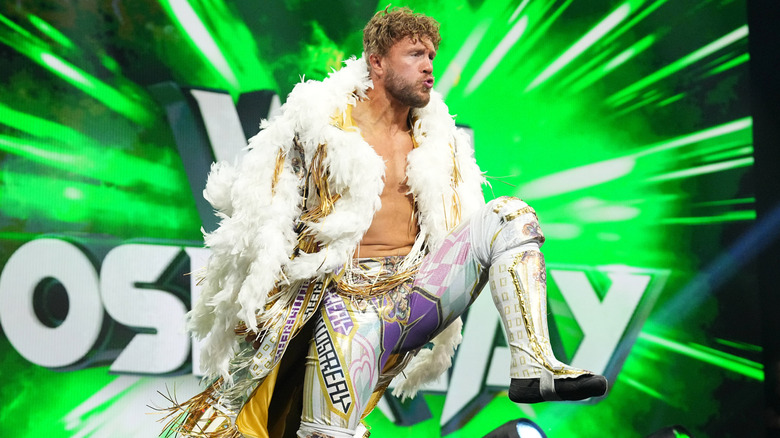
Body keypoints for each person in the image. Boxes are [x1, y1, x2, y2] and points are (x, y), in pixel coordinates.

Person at [162, 7, 607, 438]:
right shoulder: (320, 123)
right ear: (376, 62)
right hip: (345, 305)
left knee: (511, 215)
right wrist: (260, 303)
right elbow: (263, 216)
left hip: (418, 290)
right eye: (416, 54)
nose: (429, 67)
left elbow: (458, 223)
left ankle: (534, 366)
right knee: (326, 434)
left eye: (432, 56)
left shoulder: (438, 138)